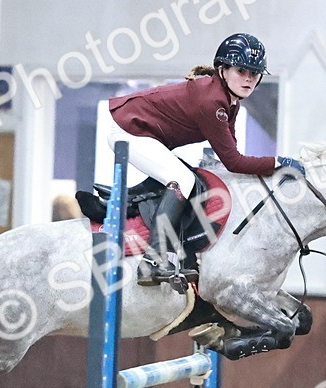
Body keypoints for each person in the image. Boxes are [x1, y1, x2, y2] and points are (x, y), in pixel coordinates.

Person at [106, 32, 305, 287]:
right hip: (127, 129)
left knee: (188, 176)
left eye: (254, 74)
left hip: (142, 132)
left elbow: (230, 157)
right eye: (241, 70)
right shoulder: (212, 102)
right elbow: (235, 162)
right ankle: (153, 262)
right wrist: (279, 163)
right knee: (182, 180)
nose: (248, 79)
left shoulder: (230, 102)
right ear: (222, 70)